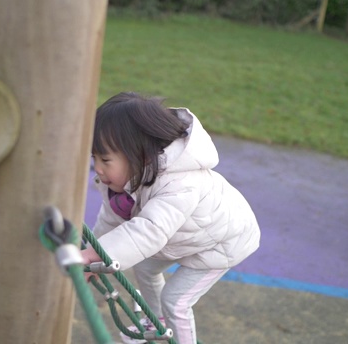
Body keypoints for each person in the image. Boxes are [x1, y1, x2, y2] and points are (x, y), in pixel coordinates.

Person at [81, 92, 261, 344]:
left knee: (175, 301)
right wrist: (94, 252)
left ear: (139, 155)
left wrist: (92, 256)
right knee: (145, 266)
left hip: (223, 243)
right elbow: (111, 219)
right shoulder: (125, 181)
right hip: (188, 234)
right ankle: (156, 319)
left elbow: (149, 231)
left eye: (105, 160)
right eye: (95, 159)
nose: (98, 168)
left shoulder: (180, 183)